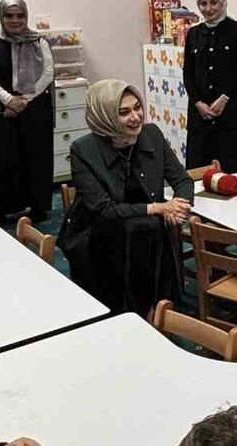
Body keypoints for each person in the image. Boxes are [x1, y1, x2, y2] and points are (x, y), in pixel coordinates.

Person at [59, 79, 193, 316]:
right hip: (100, 236)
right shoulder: (83, 150)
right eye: (124, 112)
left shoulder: (151, 134)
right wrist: (157, 208)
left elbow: (183, 180)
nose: (135, 117)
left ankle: (157, 312)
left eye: (137, 107)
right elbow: (104, 210)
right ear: (105, 116)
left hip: (148, 233)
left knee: (149, 230)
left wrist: (179, 208)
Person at [0, 0, 54, 224]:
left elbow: (47, 73)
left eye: (20, 15)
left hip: (33, 108)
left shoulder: (38, 41)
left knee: (35, 158)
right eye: (9, 15)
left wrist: (24, 99)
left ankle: (38, 207)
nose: (15, 20)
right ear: (1, 17)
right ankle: (0, 211)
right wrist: (8, 99)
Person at [183, 0, 237, 172]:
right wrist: (198, 103)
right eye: (203, 4)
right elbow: (188, 74)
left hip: (231, 117)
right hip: (201, 119)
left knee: (235, 173)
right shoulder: (193, 34)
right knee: (200, 174)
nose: (208, 9)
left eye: (214, 3)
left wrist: (224, 97)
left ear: (223, 3)